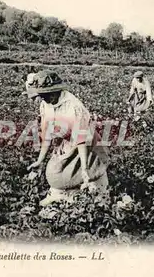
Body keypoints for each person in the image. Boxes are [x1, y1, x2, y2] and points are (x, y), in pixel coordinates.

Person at [26, 70, 110, 206]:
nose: (44, 99)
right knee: (58, 172)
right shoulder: (45, 104)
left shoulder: (73, 107)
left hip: (86, 144)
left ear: (55, 91)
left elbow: (81, 140)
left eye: (46, 95)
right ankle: (62, 197)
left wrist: (84, 167)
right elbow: (47, 135)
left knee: (93, 176)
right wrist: (39, 160)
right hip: (67, 142)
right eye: (41, 95)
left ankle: (97, 201)